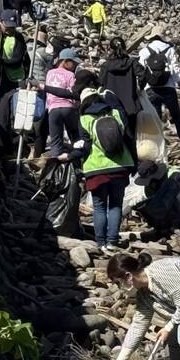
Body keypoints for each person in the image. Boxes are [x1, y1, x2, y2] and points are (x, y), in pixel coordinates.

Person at [65, 88, 134, 251]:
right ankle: (112, 241)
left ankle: (100, 243)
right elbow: (128, 137)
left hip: (96, 170)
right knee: (116, 205)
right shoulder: (116, 114)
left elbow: (85, 147)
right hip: (120, 167)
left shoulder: (84, 119)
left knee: (99, 207)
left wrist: (69, 156)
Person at [138, 29, 180, 140]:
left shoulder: (144, 51)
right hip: (168, 87)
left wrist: (140, 89)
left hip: (151, 88)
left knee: (155, 117)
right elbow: (176, 71)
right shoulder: (169, 49)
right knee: (176, 114)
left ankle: (157, 141)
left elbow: (141, 72)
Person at [99, 37, 143, 135]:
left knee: (116, 134)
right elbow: (143, 75)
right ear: (124, 47)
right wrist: (140, 87)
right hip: (130, 105)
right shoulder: (132, 62)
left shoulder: (106, 66)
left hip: (112, 106)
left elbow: (100, 83)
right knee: (131, 135)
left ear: (110, 49)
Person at [41, 48, 81, 156]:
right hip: (69, 109)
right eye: (73, 63)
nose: (75, 65)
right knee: (76, 138)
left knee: (55, 142)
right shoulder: (71, 75)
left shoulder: (49, 73)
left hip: (53, 109)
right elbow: (73, 93)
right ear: (65, 61)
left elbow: (48, 93)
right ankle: (77, 161)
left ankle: (56, 162)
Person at [0, 10, 30, 107]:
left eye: (12, 27)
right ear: (0, 22)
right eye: (7, 26)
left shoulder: (18, 37)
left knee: (4, 108)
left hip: (11, 81)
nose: (10, 29)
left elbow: (16, 60)